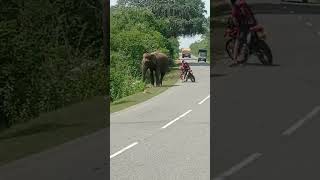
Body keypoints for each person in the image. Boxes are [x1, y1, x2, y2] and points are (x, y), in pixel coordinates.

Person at [229, 0, 258, 67]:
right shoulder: (243, 2)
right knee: (251, 35)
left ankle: (235, 60)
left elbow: (235, 20)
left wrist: (237, 25)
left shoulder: (235, 7)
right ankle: (253, 47)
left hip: (244, 25)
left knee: (238, 40)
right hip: (252, 21)